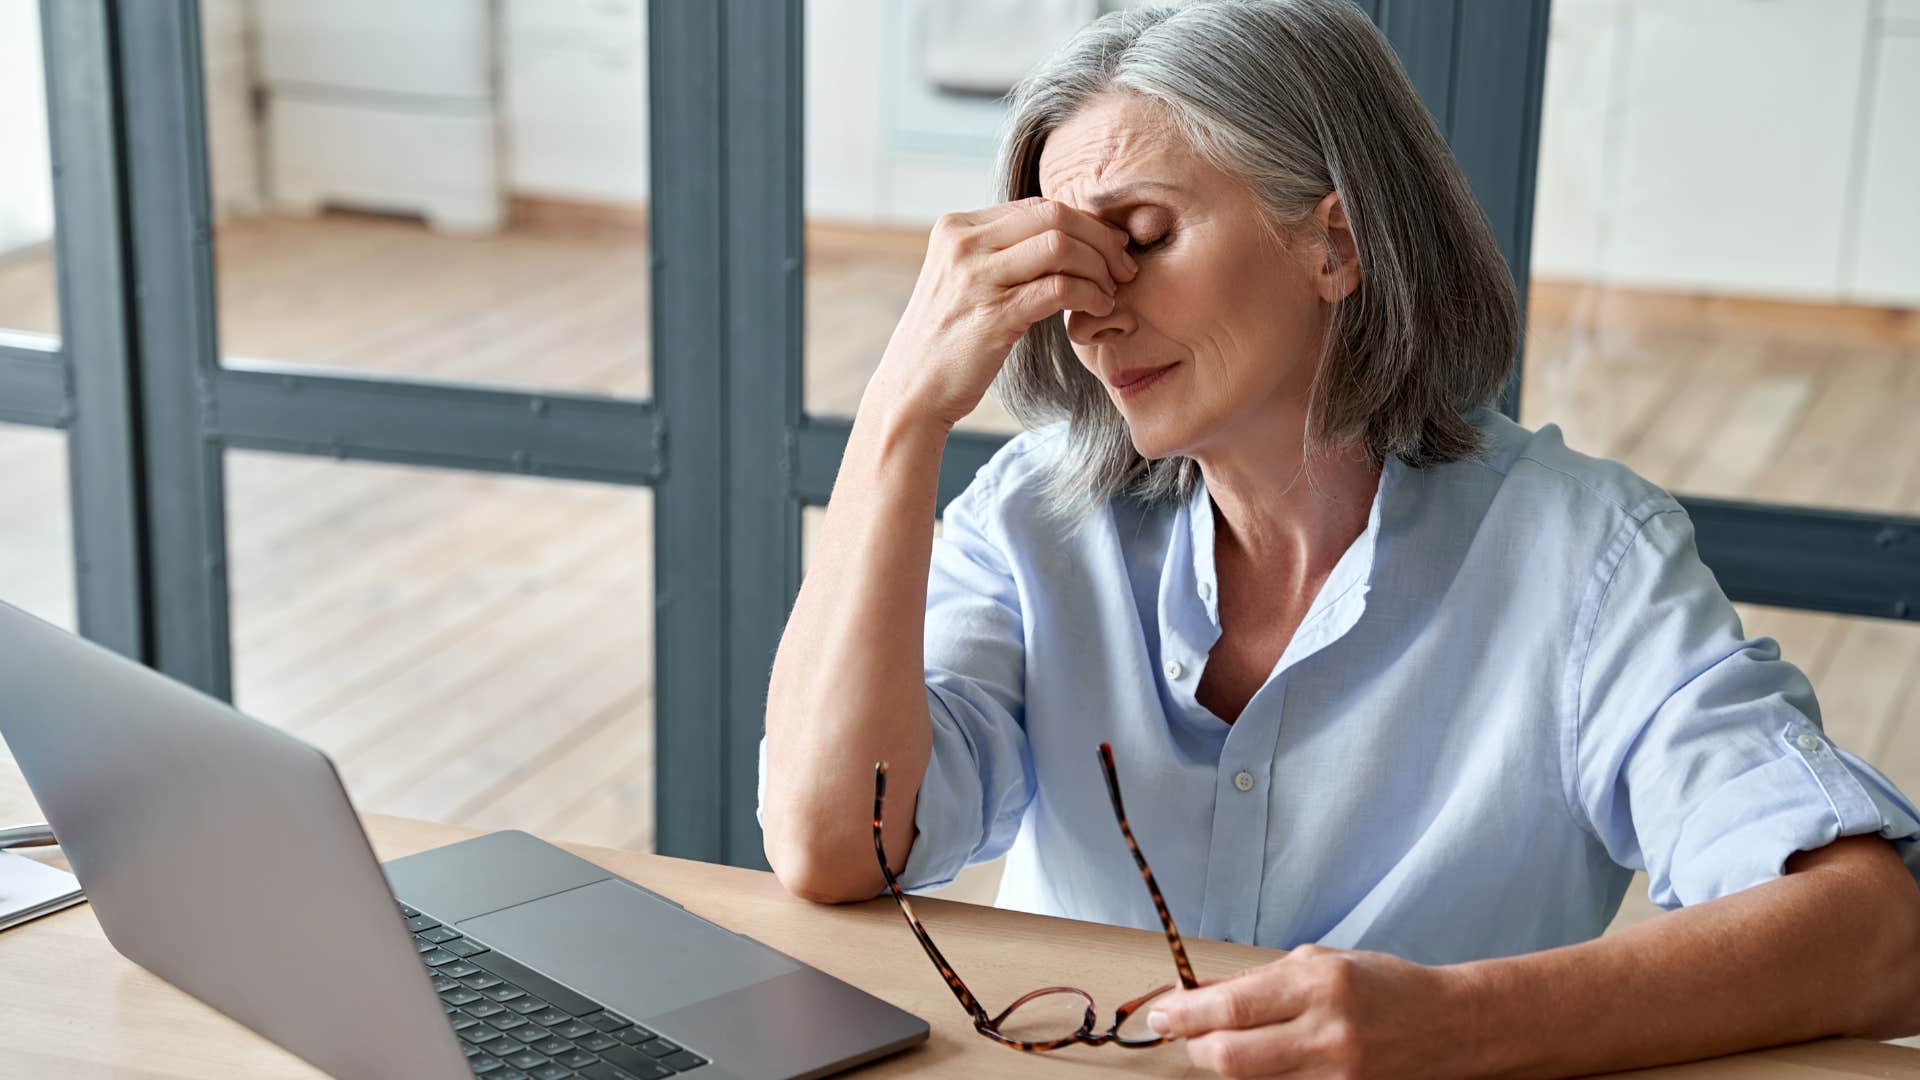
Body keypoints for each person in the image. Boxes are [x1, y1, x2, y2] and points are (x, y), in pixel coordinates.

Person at [758, 0, 1920, 1075]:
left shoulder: (1584, 557)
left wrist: (1458, 1024)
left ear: (1338, 245)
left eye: (1143, 237)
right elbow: (832, 847)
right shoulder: (1033, 517)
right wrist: (901, 412)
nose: (1090, 310)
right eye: (1067, 259)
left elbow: (1878, 936)